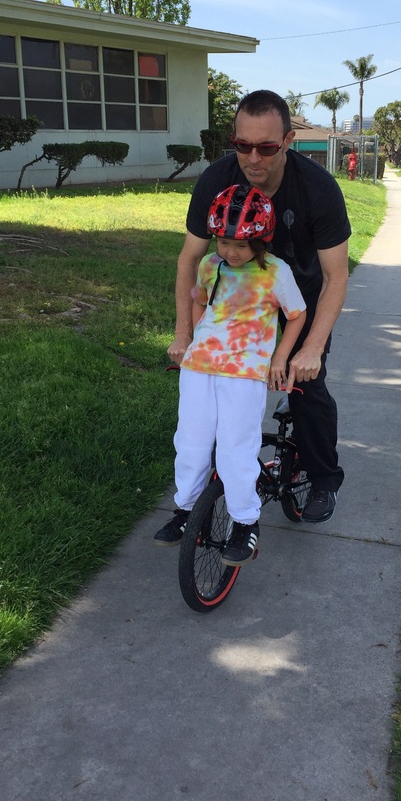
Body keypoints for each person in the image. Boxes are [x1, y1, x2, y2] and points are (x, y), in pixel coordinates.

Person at [167, 89, 351, 525]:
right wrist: (183, 333)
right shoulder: (217, 179)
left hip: (298, 295)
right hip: (238, 301)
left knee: (306, 388)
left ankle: (323, 478)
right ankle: (199, 492)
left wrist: (311, 349)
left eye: (266, 147)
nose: (253, 158)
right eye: (242, 145)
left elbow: (336, 277)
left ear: (287, 140)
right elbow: (190, 260)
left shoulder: (317, 189)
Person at [154, 184, 307, 565]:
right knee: (190, 442)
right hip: (200, 366)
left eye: (240, 245)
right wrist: (191, 339)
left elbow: (297, 315)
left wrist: (280, 358)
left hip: (244, 372)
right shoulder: (210, 265)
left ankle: (245, 523)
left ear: (260, 241)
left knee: (235, 450)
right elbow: (199, 301)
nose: (230, 252)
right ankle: (185, 509)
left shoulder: (275, 272)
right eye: (223, 242)